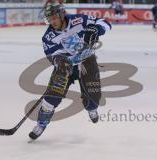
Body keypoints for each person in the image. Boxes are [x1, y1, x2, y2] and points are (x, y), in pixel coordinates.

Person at [29, 2, 112, 140]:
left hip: (87, 61)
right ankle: (41, 124)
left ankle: (91, 108)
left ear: (62, 15)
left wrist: (97, 29)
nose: (52, 22)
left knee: (93, 97)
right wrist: (59, 62)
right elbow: (51, 56)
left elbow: (106, 23)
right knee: (50, 99)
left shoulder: (78, 20)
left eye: (54, 18)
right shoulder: (48, 37)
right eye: (49, 19)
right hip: (65, 68)